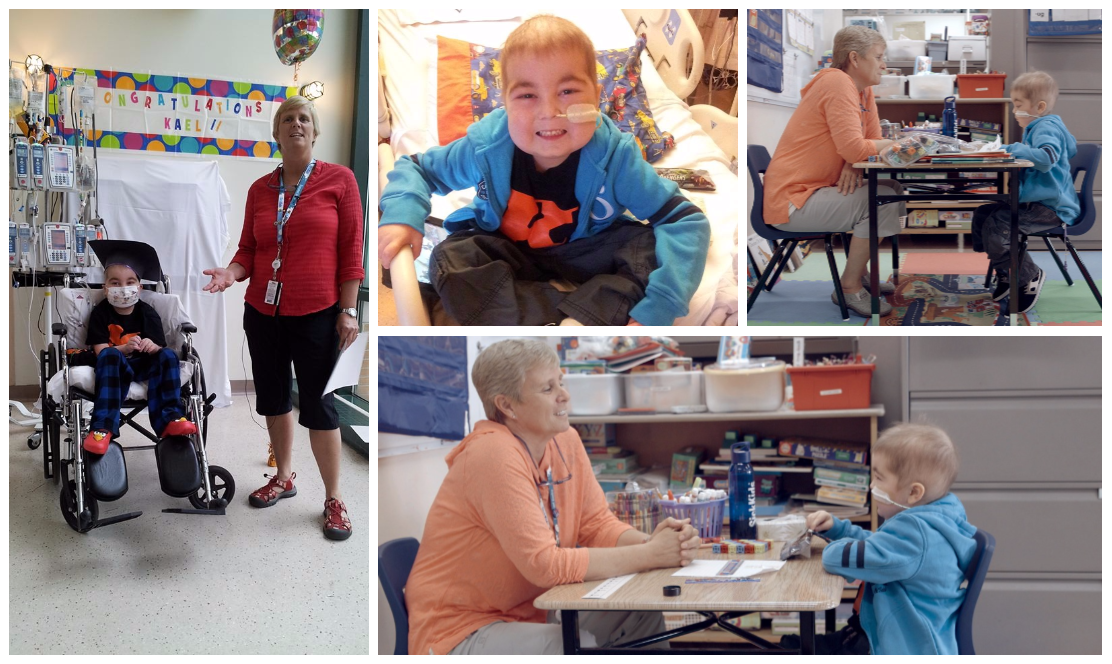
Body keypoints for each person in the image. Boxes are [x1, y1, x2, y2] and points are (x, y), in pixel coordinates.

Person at [377, 15, 710, 326]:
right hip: (504, 246)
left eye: (567, 91)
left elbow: (684, 220)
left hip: (586, 249)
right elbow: (419, 169)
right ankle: (580, 312)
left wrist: (662, 304)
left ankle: (536, 312)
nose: (550, 111)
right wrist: (401, 215)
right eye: (527, 95)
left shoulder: (615, 156)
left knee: (646, 249)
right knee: (450, 260)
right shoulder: (486, 146)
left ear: (595, 97)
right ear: (505, 105)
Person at [405, 339, 701, 655]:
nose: (564, 395)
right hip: (458, 631)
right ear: (506, 406)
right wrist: (653, 555)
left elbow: (596, 525)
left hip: (531, 611)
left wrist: (653, 543)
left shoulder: (566, 439)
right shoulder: (491, 454)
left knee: (638, 611)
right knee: (576, 646)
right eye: (548, 389)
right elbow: (544, 566)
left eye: (560, 381)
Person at [202, 95, 364, 541]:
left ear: (314, 132)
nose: (296, 124)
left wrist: (348, 311)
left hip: (318, 313)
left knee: (319, 406)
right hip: (263, 312)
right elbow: (248, 252)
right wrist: (229, 273)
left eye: (304, 118)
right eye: (287, 119)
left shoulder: (341, 181)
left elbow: (352, 251)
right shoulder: (260, 189)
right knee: (273, 399)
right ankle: (285, 475)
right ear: (275, 133)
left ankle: (333, 498)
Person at [762, 25, 906, 317]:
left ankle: (860, 272)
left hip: (815, 191)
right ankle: (849, 287)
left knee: (893, 190)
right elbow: (864, 146)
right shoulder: (837, 83)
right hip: (793, 201)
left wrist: (853, 160)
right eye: (878, 57)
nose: (884, 64)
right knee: (883, 201)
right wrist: (894, 144)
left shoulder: (863, 92)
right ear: (855, 58)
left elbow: (866, 143)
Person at [803, 423, 977, 655]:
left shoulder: (917, 533)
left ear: (914, 493)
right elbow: (879, 548)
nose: (872, 486)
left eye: (879, 478)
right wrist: (838, 529)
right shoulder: (930, 521)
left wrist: (828, 549)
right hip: (888, 637)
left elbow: (844, 559)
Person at [972, 70, 1079, 313]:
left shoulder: (1045, 127)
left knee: (997, 225)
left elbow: (1047, 158)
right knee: (983, 215)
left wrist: (1014, 148)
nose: (1013, 110)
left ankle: (1028, 275)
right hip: (1037, 203)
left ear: (1039, 107)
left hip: (1050, 208)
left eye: (1018, 105)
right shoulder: (1040, 127)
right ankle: (1006, 272)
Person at [82, 240, 197, 454]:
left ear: (139, 287)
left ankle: (171, 417)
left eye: (129, 282)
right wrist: (124, 349)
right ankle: (102, 427)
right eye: (115, 283)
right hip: (115, 368)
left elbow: (158, 346)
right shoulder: (100, 314)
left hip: (145, 365)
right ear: (105, 288)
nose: (122, 288)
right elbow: (99, 353)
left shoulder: (147, 312)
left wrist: (152, 346)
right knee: (109, 355)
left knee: (168, 356)